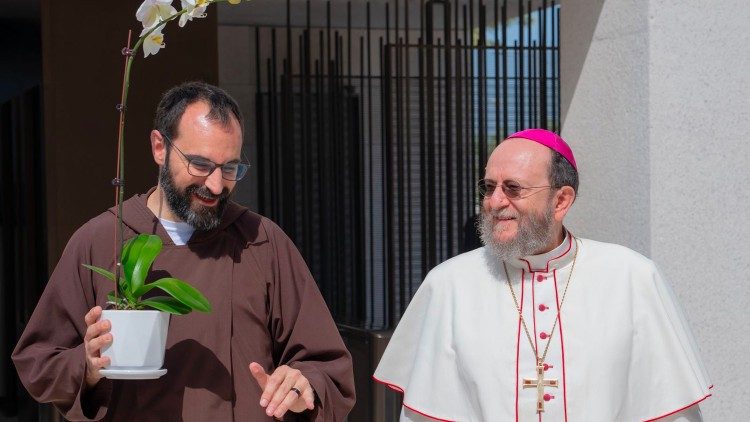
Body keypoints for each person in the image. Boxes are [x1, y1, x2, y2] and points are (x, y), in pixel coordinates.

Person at [12, 81, 355, 421]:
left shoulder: (262, 242)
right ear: (159, 147)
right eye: (201, 165)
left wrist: (302, 386)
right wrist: (87, 364)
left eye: (230, 168)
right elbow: (39, 361)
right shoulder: (100, 240)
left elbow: (327, 368)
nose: (216, 185)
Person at [373, 129, 712, 421]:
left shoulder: (632, 278)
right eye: (489, 187)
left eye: (513, 189)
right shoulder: (448, 285)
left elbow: (670, 412)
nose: (494, 202)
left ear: (561, 200)